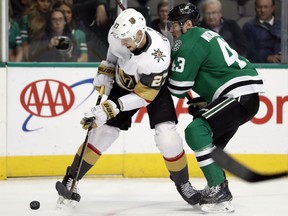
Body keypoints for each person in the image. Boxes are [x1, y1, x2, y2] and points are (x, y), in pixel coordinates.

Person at [56, 8, 202, 207]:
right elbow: (113, 53)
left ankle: (184, 184)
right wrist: (106, 72)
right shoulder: (118, 37)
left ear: (140, 34)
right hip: (122, 83)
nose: (122, 43)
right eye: (120, 38)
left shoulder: (159, 55)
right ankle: (72, 178)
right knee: (103, 133)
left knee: (167, 136)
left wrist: (112, 107)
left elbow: (144, 96)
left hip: (152, 91)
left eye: (127, 39)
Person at [167, 3, 264, 213]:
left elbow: (177, 87)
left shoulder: (188, 40)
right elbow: (211, 73)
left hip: (237, 95)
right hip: (242, 95)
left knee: (196, 131)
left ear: (188, 24)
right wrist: (204, 102)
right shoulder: (203, 35)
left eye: (175, 25)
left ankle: (218, 188)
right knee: (211, 143)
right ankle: (218, 188)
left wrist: (159, 71)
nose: (172, 30)